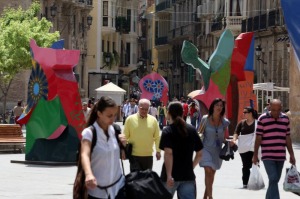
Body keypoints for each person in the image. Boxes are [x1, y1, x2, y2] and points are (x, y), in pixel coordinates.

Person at [81, 96, 127, 199]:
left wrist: (122, 146)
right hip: (97, 191)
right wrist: (88, 174)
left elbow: (120, 155)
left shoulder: (115, 130)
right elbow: (84, 154)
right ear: (99, 114)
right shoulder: (89, 133)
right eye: (109, 116)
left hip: (118, 188)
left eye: (114, 115)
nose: (113, 119)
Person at [252, 99, 296, 199]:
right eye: (274, 110)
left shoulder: (285, 119)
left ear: (281, 108)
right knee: (273, 177)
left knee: (274, 181)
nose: (276, 112)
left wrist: (292, 154)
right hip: (267, 155)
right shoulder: (262, 119)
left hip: (280, 156)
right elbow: (258, 138)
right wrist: (255, 155)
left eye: (278, 110)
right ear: (269, 108)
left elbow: (287, 138)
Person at [160, 101, 203, 199]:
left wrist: (169, 175)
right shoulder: (192, 129)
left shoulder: (167, 131)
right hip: (187, 175)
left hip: (170, 176)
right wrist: (191, 167)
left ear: (168, 113)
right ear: (183, 113)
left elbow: (169, 153)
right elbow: (200, 153)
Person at [199, 98, 230, 199]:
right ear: (213, 106)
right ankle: (211, 196)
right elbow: (199, 133)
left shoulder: (225, 122)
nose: (219, 107)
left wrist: (230, 142)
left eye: (221, 106)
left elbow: (224, 138)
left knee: (211, 175)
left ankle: (205, 196)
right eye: (217, 105)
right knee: (208, 171)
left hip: (217, 151)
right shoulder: (205, 119)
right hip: (205, 149)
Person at [124, 98, 161, 172]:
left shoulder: (153, 120)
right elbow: (125, 137)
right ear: (138, 107)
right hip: (134, 155)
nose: (144, 111)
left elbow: (157, 137)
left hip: (148, 156)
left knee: (147, 180)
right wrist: (123, 151)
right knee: (135, 181)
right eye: (142, 109)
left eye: (146, 109)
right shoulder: (130, 119)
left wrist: (158, 151)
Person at [231, 106, 258, 188]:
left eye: (245, 112)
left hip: (254, 147)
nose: (243, 114)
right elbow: (236, 132)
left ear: (250, 113)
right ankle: (245, 183)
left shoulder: (258, 123)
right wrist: (234, 139)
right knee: (246, 166)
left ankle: (253, 181)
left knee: (254, 164)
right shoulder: (241, 123)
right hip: (243, 147)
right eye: (243, 112)